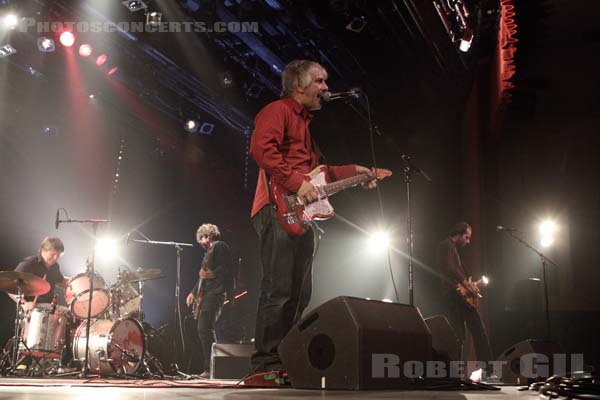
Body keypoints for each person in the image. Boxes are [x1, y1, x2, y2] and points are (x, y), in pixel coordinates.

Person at [249, 59, 377, 373]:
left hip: (300, 215)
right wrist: (295, 183)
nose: (325, 88)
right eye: (320, 81)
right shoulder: (277, 111)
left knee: (299, 292)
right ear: (298, 85)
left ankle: (285, 360)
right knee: (278, 289)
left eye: (325, 82)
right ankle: (264, 364)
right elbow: (261, 149)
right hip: (276, 208)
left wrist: (356, 172)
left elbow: (321, 174)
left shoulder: (305, 126)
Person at [436, 222, 493, 368]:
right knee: (474, 332)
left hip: (456, 295)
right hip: (455, 295)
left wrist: (474, 284)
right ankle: (488, 370)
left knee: (461, 335)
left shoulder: (452, 248)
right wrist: (466, 283)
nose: (468, 241)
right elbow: (448, 268)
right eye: (466, 237)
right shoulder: (446, 245)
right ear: (459, 234)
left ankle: (458, 372)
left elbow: (456, 273)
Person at [186, 223, 233, 378]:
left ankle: (211, 368)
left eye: (201, 238)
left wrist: (211, 274)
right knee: (204, 329)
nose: (200, 242)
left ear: (208, 236)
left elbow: (226, 267)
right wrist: (193, 292)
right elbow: (202, 278)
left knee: (205, 328)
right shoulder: (207, 254)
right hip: (206, 294)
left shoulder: (220, 246)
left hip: (216, 293)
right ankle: (210, 368)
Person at [9, 237, 69, 311]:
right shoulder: (29, 263)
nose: (55, 258)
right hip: (32, 307)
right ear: (43, 251)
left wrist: (77, 282)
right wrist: (24, 304)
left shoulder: (55, 266)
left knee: (67, 312)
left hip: (48, 306)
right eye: (53, 254)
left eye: (58, 255)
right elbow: (10, 287)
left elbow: (61, 281)